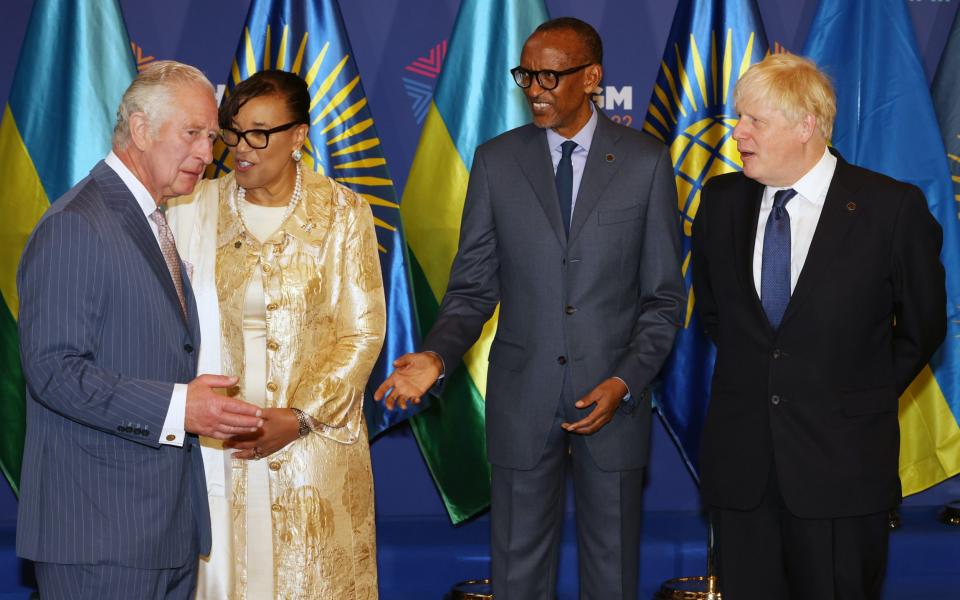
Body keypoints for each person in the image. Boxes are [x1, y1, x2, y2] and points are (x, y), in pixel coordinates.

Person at [376, 17, 683, 600]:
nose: (535, 88)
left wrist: (625, 379)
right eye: (526, 74)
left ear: (592, 77)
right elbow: (472, 288)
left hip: (613, 398)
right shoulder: (496, 160)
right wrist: (437, 356)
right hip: (522, 397)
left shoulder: (646, 162)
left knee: (612, 574)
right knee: (517, 576)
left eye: (550, 75)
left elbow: (664, 299)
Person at [691, 53, 947, 599]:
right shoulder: (720, 201)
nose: (739, 133)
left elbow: (923, 326)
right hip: (742, 476)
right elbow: (717, 315)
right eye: (741, 119)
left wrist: (861, 393)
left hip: (842, 472)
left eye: (755, 120)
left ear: (806, 124)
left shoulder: (890, 208)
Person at [15, 61, 264, 600]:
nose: (207, 153)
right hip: (100, 538)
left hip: (163, 532)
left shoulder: (150, 219)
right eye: (193, 134)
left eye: (212, 138)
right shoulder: (77, 225)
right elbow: (53, 371)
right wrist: (180, 408)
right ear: (141, 129)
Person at [166, 69, 386, 599]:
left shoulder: (342, 212)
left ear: (300, 136)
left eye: (260, 133)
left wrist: (300, 416)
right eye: (234, 131)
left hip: (315, 444)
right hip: (220, 444)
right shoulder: (193, 209)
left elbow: (362, 332)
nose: (242, 148)